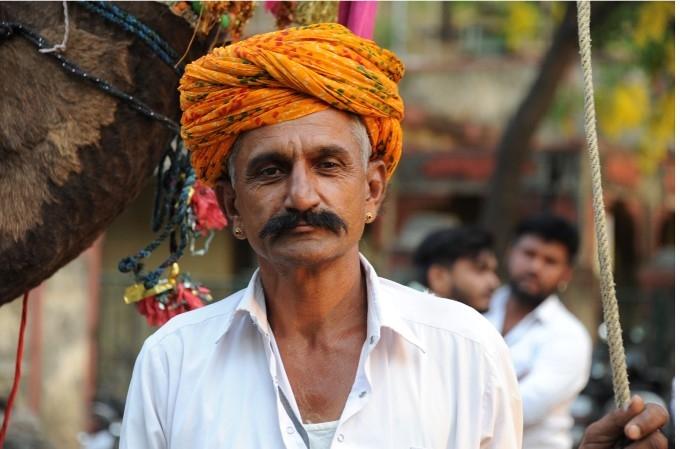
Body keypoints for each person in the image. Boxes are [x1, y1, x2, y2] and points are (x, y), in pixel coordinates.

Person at [119, 24, 522, 449]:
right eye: (270, 171)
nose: (301, 197)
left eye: (328, 165)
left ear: (372, 190)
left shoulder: (464, 352)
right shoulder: (173, 361)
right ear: (232, 205)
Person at [484, 214, 592, 449]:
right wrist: (509, 381)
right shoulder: (476, 309)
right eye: (528, 254)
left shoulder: (569, 335)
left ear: (566, 274)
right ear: (510, 253)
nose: (535, 267)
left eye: (550, 261)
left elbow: (522, 407)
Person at [412, 227, 499, 313]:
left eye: (494, 272)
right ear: (438, 276)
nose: (494, 283)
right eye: (480, 269)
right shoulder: (403, 320)